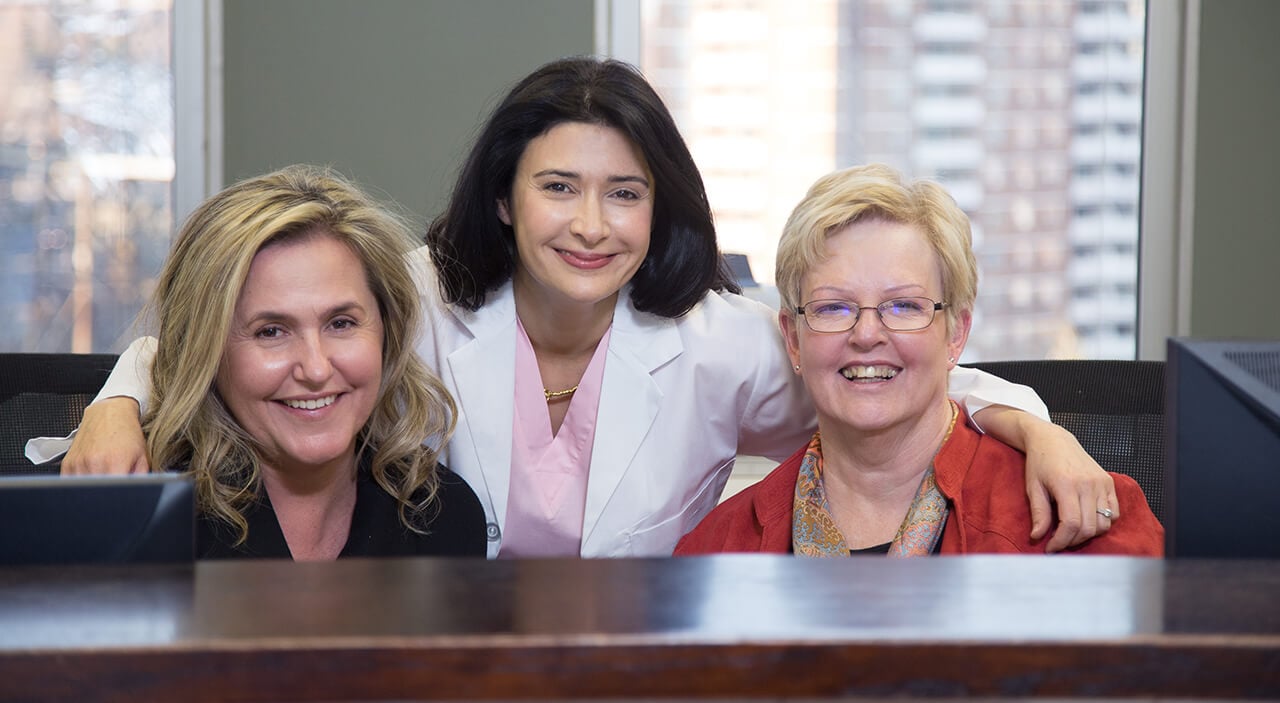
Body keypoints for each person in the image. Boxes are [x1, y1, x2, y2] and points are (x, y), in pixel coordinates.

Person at [37, 57, 1117, 558]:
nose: (589, 224)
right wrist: (114, 407)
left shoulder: (711, 337)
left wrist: (1039, 428)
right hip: (435, 651)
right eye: (557, 187)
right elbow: (231, 325)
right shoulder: (408, 295)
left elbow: (880, 363)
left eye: (625, 193)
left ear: (661, 210)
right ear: (504, 201)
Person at [675, 164, 1163, 556]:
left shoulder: (1080, 517)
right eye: (833, 308)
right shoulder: (720, 549)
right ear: (794, 340)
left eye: (904, 306)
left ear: (957, 333)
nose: (867, 334)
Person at [141, 165, 486, 559]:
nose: (317, 369)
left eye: (341, 323)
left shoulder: (440, 518)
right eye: (271, 331)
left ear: (387, 332)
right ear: (206, 350)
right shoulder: (136, 520)